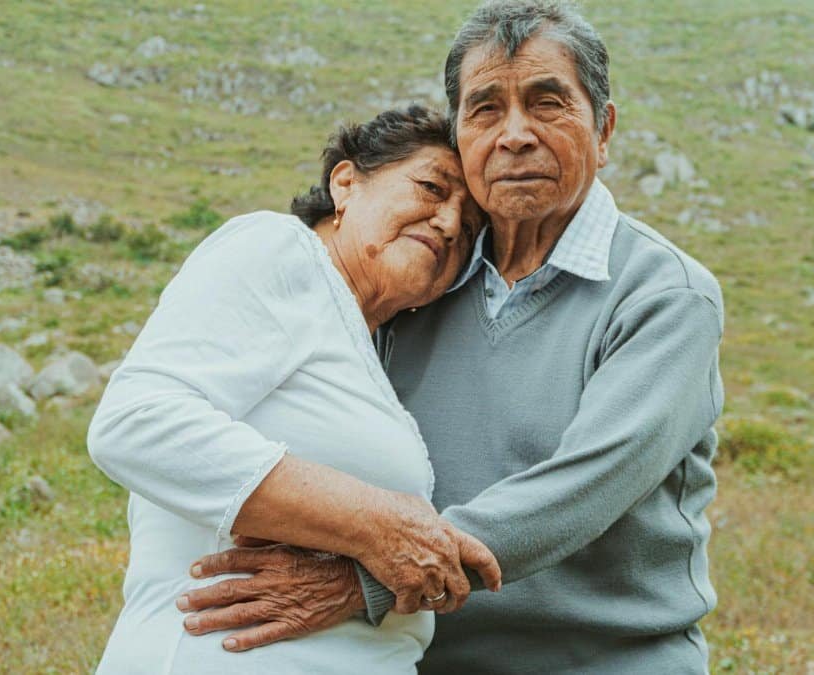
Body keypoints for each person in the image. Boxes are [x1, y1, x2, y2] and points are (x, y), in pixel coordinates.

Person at [184, 1, 726, 673]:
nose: (515, 135)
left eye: (547, 103)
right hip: (412, 659)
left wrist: (369, 580)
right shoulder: (421, 285)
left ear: (604, 128)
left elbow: (585, 487)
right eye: (485, 109)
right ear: (460, 134)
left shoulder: (665, 294)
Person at [86, 105, 502, 675]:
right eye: (432, 188)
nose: (450, 224)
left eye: (471, 229)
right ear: (346, 183)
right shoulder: (282, 251)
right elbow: (136, 422)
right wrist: (378, 524)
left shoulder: (371, 348)